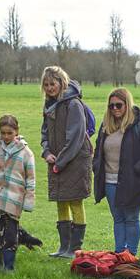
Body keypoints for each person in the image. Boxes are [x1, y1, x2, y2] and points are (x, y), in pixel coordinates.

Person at [92, 88, 140, 254]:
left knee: (131, 218)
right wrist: (96, 167)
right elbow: (98, 150)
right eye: (111, 106)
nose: (115, 109)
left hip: (132, 182)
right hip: (109, 182)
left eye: (119, 105)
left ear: (127, 104)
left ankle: (130, 255)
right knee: (118, 219)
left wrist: (137, 170)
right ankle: (118, 253)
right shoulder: (106, 126)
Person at [40, 66, 93, 259]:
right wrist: (46, 152)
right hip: (56, 160)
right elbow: (44, 132)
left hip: (75, 160)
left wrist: (60, 161)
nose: (49, 88)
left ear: (62, 83)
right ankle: (64, 247)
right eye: (46, 85)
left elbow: (76, 138)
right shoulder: (48, 105)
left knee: (75, 201)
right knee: (61, 201)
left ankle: (74, 248)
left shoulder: (73, 105)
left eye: (52, 84)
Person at [0, 114, 37, 272]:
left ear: (17, 131)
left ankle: (9, 267)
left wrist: (28, 200)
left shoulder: (26, 153)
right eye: (3, 133)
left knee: (10, 235)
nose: (6, 136)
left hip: (14, 200)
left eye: (10, 133)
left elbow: (31, 179)